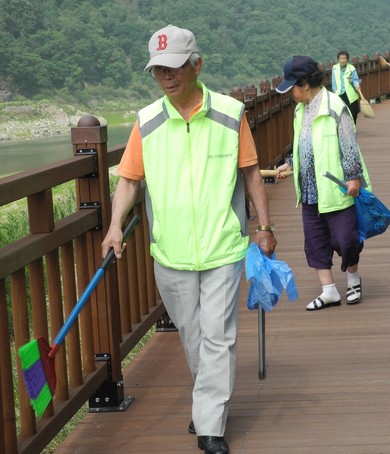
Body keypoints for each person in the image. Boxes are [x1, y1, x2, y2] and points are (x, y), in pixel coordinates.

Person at [101, 25, 276, 454]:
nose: (166, 76)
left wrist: (265, 227)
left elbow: (251, 172)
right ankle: (208, 402)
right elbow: (128, 182)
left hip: (222, 246)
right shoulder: (147, 122)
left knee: (218, 334)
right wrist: (112, 228)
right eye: (158, 69)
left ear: (197, 65)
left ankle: (210, 427)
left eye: (174, 67)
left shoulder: (231, 114)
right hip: (171, 252)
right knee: (194, 336)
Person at [274, 55, 371, 311]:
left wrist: (353, 177)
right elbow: (304, 143)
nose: (290, 93)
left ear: (305, 83)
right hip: (308, 188)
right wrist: (291, 163)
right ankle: (329, 291)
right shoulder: (300, 109)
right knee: (315, 241)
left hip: (335, 187)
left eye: (292, 87)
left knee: (346, 239)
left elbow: (348, 144)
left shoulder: (335, 106)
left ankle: (352, 279)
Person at [331, 50, 366, 124]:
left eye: (344, 58)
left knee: (353, 113)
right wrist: (335, 92)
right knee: (341, 114)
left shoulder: (351, 68)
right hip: (339, 94)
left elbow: (355, 79)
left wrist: (357, 85)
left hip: (351, 95)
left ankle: (353, 128)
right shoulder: (334, 68)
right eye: (341, 58)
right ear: (338, 59)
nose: (343, 60)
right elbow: (333, 82)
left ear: (347, 59)